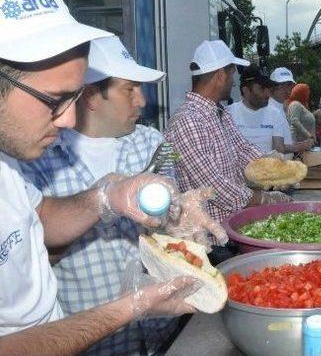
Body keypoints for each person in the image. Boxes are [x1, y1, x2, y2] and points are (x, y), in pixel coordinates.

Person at [0, 0, 198, 354]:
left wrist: (108, 196)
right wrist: (129, 309)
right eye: (54, 100)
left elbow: (36, 222)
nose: (69, 120)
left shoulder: (8, 162)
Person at [19, 35, 224, 355]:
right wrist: (102, 202)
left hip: (160, 331)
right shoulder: (36, 161)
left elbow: (169, 222)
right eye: (130, 89)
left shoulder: (150, 143)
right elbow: (31, 257)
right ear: (90, 96)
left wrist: (180, 219)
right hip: (88, 338)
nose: (142, 101)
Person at [164, 41, 292, 227]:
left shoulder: (220, 113)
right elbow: (214, 187)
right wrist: (264, 199)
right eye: (232, 75)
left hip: (231, 227)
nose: (234, 82)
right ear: (220, 76)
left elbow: (242, 149)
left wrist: (275, 170)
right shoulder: (188, 121)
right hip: (209, 239)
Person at [227, 65, 309, 154]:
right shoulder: (228, 114)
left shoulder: (274, 114)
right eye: (262, 88)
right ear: (246, 91)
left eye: (268, 88)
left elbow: (279, 149)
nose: (267, 93)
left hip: (269, 167)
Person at [269, 67, 297, 156]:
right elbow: (277, 148)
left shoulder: (280, 106)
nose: (287, 89)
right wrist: (303, 146)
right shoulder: (269, 109)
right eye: (281, 85)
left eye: (289, 85)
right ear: (272, 87)